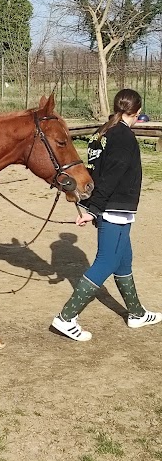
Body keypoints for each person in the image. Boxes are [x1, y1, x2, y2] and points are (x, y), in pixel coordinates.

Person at [51, 88, 162, 341]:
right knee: (107, 261)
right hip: (111, 207)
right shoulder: (123, 137)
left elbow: (93, 171)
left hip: (112, 207)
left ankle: (136, 314)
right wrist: (94, 209)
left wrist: (92, 206)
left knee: (124, 259)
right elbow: (111, 177)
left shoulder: (102, 132)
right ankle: (66, 318)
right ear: (138, 112)